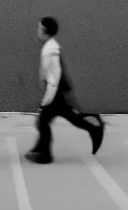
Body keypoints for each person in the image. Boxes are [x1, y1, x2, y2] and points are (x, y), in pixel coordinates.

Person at [25, 16, 105, 164]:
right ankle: (40, 149)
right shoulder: (50, 46)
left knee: (43, 121)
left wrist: (47, 96)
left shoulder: (51, 50)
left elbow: (55, 75)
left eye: (39, 28)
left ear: (44, 31)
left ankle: (45, 155)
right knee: (61, 118)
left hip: (55, 92)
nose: (37, 31)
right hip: (56, 91)